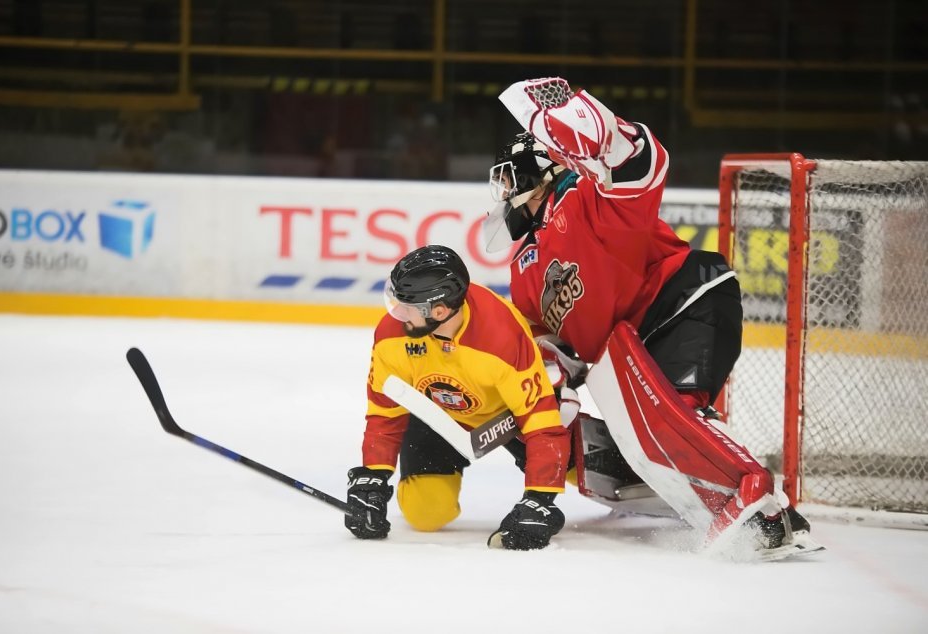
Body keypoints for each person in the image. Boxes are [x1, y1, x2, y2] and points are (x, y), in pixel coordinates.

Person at [482, 77, 811, 549]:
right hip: (630, 350)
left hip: (685, 302)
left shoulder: (584, 197)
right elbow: (547, 343)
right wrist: (548, 387)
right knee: (652, 428)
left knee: (672, 416)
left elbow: (642, 166)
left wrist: (607, 138)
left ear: (541, 174)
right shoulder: (524, 269)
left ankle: (763, 510)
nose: (503, 193)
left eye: (509, 180)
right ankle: (694, 489)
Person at [344, 245, 571, 550]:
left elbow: (540, 422)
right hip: (437, 416)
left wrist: (539, 498)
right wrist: (373, 477)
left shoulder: (501, 337)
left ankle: (587, 441)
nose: (398, 313)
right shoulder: (391, 336)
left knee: (573, 467)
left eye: (407, 306)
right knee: (425, 513)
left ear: (439, 311)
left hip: (506, 416)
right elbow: (385, 411)